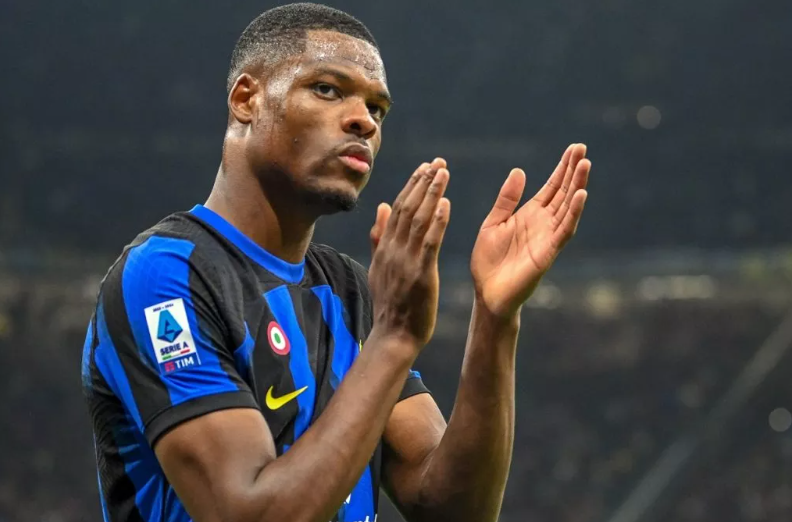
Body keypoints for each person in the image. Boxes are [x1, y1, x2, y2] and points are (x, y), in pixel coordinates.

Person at [80, 3, 591, 522]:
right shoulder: (168, 275)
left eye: (378, 109)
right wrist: (393, 338)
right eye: (327, 89)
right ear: (246, 99)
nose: (363, 120)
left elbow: (453, 510)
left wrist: (496, 319)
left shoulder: (348, 290)